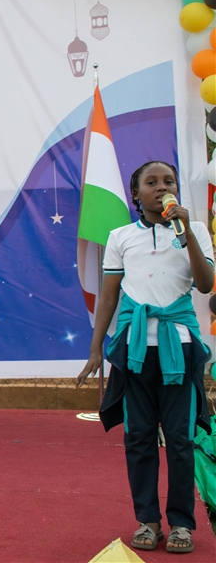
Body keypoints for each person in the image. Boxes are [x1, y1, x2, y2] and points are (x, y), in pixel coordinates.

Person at [76, 161, 213, 554]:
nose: (160, 187)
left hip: (180, 348)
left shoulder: (195, 231)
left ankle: (183, 524)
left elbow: (205, 284)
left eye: (167, 181)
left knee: (180, 438)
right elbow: (109, 297)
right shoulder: (121, 236)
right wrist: (94, 348)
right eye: (150, 182)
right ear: (136, 194)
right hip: (134, 350)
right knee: (137, 437)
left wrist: (186, 235)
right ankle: (148, 521)